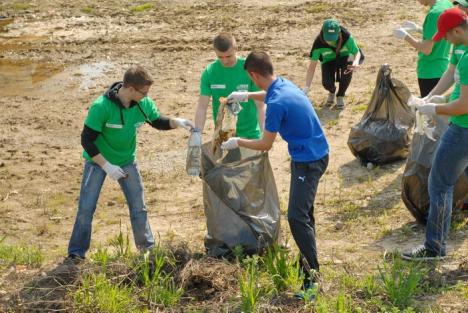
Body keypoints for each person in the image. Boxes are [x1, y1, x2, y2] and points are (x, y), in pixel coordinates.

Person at [223, 52, 329, 297]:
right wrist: (247, 96)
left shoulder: (277, 104)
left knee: (296, 218)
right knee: (305, 216)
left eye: (250, 81)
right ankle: (306, 263)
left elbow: (265, 144)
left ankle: (312, 280)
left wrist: (237, 141)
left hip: (308, 162)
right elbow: (268, 95)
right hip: (316, 153)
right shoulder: (282, 84)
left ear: (254, 75)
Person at [67, 65, 194, 261]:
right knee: (86, 208)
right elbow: (87, 140)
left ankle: (147, 251)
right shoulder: (101, 107)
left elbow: (156, 121)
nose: (146, 95)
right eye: (144, 92)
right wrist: (106, 166)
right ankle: (76, 254)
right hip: (97, 162)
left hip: (127, 161)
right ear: (131, 89)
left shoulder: (144, 103)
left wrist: (176, 122)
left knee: (139, 207)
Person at [402, 7, 468, 260]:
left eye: (447, 35)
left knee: (439, 184)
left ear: (458, 30)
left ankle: (434, 247)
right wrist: (432, 95)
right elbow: (452, 74)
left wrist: (434, 108)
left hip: (463, 128)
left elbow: (463, 105)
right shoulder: (461, 48)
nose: (446, 40)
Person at [191, 32, 265, 154]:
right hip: (224, 137)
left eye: (229, 56)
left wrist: (264, 134)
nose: (225, 61)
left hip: (249, 136)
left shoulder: (250, 69)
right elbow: (202, 107)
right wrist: (197, 133)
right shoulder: (210, 72)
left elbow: (260, 106)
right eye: (220, 57)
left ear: (236, 49)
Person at [393, 0, 453, 97]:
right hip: (443, 68)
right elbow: (438, 34)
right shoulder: (446, 4)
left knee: (430, 109)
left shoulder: (434, 14)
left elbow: (426, 49)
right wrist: (418, 29)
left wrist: (405, 36)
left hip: (429, 70)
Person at [303, 19, 362, 109]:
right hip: (328, 60)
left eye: (333, 37)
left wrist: (356, 62)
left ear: (338, 33)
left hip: (345, 57)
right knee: (326, 83)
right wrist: (306, 88)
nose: (330, 41)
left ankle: (340, 95)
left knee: (347, 72)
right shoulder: (318, 43)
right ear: (322, 32)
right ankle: (332, 91)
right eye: (328, 37)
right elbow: (312, 67)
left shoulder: (346, 36)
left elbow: (357, 52)